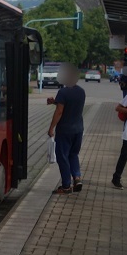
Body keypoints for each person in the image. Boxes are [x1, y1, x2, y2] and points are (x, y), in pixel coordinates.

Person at [47, 64, 86, 195]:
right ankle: (77, 178)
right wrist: (55, 101)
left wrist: (51, 128)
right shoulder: (81, 91)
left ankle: (66, 186)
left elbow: (60, 111)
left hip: (65, 130)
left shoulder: (63, 92)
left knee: (62, 157)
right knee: (73, 154)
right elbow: (71, 105)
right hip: (78, 129)